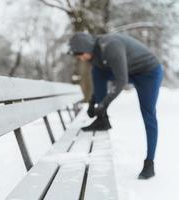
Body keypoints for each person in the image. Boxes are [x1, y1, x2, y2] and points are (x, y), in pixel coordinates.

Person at [68, 32, 163, 179]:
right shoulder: (95, 56)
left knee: (148, 114)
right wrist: (94, 102)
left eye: (79, 54)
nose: (79, 58)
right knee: (97, 71)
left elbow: (121, 80)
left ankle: (150, 163)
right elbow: (103, 77)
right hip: (130, 72)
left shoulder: (111, 46)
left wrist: (104, 103)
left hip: (148, 73)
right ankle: (102, 120)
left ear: (86, 48)